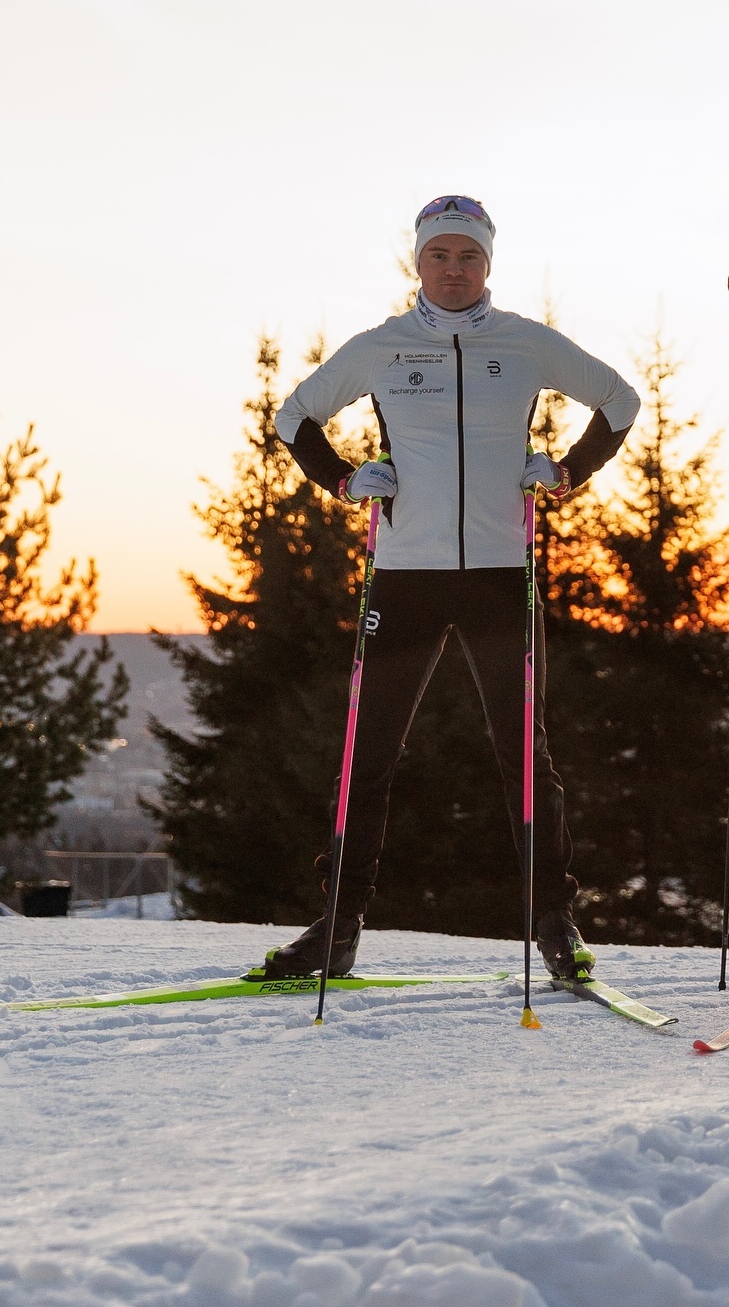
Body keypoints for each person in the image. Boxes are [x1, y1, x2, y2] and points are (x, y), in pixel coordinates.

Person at [260, 194, 639, 981]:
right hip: (406, 578)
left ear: (489, 263)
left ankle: (555, 924)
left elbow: (620, 400)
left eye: (469, 256)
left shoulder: (527, 344)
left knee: (523, 756)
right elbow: (294, 416)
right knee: (368, 754)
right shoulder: (383, 347)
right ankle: (337, 925)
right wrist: (341, 480)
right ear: (418, 261)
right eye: (440, 255)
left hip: (503, 576)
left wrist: (568, 472)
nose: (454, 269)